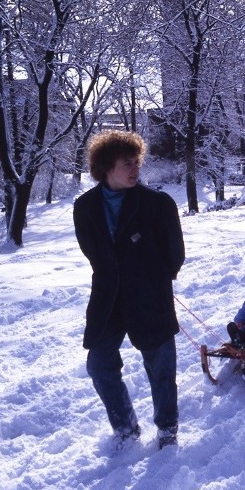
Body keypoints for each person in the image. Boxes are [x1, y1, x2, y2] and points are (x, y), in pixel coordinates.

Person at [73, 130, 185, 451]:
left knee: (160, 365)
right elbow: (94, 253)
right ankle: (124, 426)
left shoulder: (157, 204)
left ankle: (167, 428)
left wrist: (151, 277)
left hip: (150, 296)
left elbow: (174, 253)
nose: (136, 168)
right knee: (99, 363)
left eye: (137, 162)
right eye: (127, 163)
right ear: (106, 167)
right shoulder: (85, 207)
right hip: (108, 299)